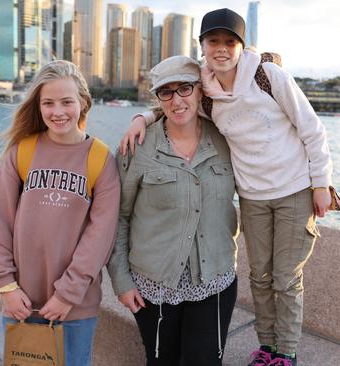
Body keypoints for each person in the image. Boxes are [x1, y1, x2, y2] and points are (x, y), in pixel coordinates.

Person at [120, 8, 333, 366]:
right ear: (202, 46)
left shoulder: (267, 76)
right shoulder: (205, 89)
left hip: (294, 188)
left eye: (230, 41)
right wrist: (143, 116)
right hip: (252, 195)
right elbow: (176, 102)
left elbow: (312, 128)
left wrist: (321, 184)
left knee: (286, 277)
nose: (221, 48)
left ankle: (287, 352)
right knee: (261, 276)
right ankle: (267, 348)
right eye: (213, 41)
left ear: (242, 45)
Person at [0, 60, 120, 366]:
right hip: (21, 302)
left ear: (83, 103)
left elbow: (100, 238)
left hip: (75, 308)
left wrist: (67, 294)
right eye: (48, 103)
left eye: (67, 102)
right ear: (38, 105)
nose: (58, 112)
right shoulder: (22, 152)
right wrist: (6, 285)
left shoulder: (100, 159)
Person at [107, 55, 238, 366]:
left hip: (215, 280)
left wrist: (318, 181)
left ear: (200, 91)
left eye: (185, 89)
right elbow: (118, 218)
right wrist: (121, 281)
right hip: (152, 284)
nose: (177, 100)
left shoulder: (228, 140)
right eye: (166, 92)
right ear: (157, 98)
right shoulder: (135, 148)